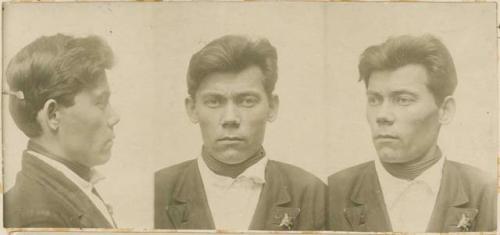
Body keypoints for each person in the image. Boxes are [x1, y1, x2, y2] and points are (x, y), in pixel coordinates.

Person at [154, 35, 326, 230]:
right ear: (192, 108)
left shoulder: (311, 194)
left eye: (246, 101)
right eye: (214, 101)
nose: (230, 118)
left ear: (272, 107)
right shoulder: (157, 190)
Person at [327, 34, 496, 232]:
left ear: (445, 110)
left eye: (403, 100)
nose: (382, 116)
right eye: (374, 99)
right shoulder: (332, 193)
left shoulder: (487, 193)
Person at [4, 34, 120, 228]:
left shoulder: (61, 188)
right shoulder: (39, 222)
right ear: (53, 115)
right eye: (100, 102)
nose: (114, 117)